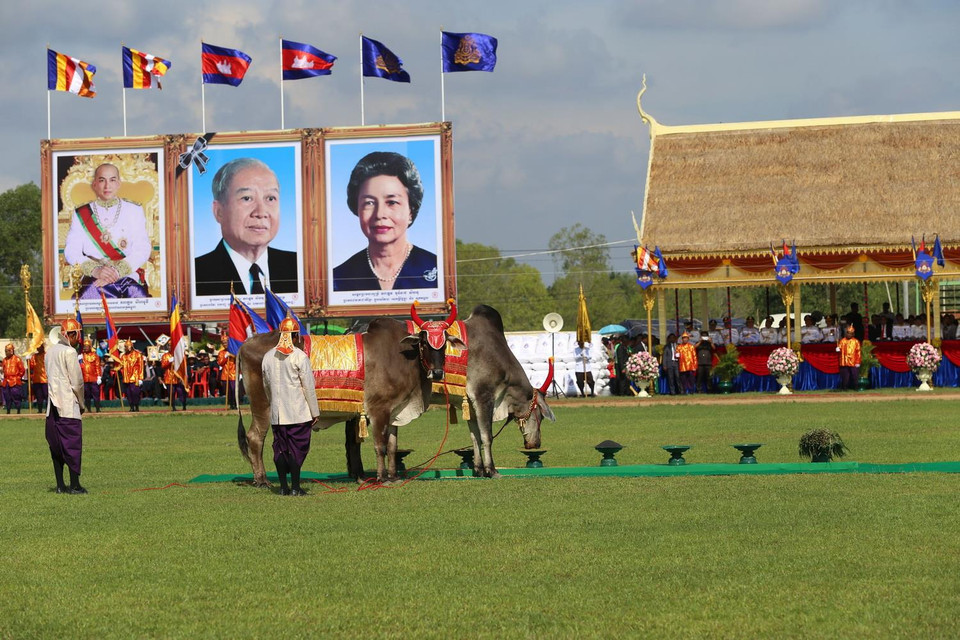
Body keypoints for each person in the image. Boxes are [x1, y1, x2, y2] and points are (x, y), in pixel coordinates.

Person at [332, 151, 438, 292]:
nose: (380, 214)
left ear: (411, 211)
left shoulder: (437, 269)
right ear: (357, 208)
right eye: (369, 203)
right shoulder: (338, 279)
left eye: (392, 202)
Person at [194, 158, 298, 296]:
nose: (261, 213)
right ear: (219, 211)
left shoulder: (298, 267)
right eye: (247, 198)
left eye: (270, 198)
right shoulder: (195, 274)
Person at [63, 163, 151, 299]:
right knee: (90, 295)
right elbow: (71, 251)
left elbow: (143, 248)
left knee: (138, 297)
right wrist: (96, 270)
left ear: (119, 184)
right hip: (94, 279)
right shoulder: (81, 213)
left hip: (127, 277)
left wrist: (117, 271)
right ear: (94, 185)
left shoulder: (134, 210)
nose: (107, 186)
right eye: (102, 180)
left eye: (112, 180)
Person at [261, 316, 319, 496]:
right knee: (297, 448)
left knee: (280, 449)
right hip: (298, 414)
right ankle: (295, 487)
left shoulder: (268, 357)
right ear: (295, 336)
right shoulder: (300, 357)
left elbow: (266, 386)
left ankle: (284, 488)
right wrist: (315, 411)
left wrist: (274, 404)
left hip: (278, 415)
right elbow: (308, 386)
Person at [45, 319, 87, 494]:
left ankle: (61, 485)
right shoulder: (69, 352)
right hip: (68, 405)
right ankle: (75, 485)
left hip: (52, 407)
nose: (79, 339)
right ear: (72, 334)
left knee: (56, 446)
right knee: (72, 445)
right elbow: (77, 382)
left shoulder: (49, 353)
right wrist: (82, 403)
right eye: (78, 334)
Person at [117, 339, 144, 412]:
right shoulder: (123, 356)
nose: (125, 348)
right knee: (128, 393)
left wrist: (140, 378)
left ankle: (136, 405)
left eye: (126, 347)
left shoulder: (138, 354)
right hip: (126, 377)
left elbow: (141, 367)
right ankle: (131, 406)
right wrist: (117, 368)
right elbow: (121, 365)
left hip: (135, 377)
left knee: (135, 392)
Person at [159, 342, 187, 411]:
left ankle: (184, 405)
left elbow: (183, 364)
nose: (170, 347)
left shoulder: (179, 355)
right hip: (169, 377)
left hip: (178, 376)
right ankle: (173, 407)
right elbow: (163, 365)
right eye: (169, 346)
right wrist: (169, 361)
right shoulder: (165, 356)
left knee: (181, 391)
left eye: (171, 346)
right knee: (171, 393)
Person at [79, 339, 102, 413]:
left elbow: (97, 366)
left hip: (94, 378)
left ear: (90, 347)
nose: (85, 348)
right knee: (86, 395)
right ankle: (88, 409)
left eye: (86, 346)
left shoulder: (95, 356)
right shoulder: (81, 356)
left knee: (96, 394)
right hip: (84, 378)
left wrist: (99, 376)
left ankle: (98, 408)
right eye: (84, 346)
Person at [2, 344, 26, 414]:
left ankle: (18, 410)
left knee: (16, 396)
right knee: (7, 396)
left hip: (15, 381)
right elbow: (4, 369)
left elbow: (22, 370)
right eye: (5, 351)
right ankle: (8, 410)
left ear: (11, 351)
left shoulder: (17, 359)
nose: (6, 352)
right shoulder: (4, 360)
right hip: (6, 381)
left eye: (8, 351)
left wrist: (18, 377)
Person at [836, 325, 861, 391]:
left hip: (853, 361)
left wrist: (858, 362)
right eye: (847, 333)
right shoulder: (842, 341)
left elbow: (858, 352)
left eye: (850, 333)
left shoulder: (856, 341)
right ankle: (844, 387)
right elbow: (840, 348)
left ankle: (855, 387)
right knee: (844, 376)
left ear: (853, 334)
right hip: (844, 361)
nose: (849, 334)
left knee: (855, 375)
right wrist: (838, 349)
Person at [217, 335, 238, 409]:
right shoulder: (221, 353)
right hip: (225, 374)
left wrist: (231, 355)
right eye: (223, 343)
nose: (225, 344)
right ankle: (230, 404)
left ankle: (235, 404)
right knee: (227, 391)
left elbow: (238, 358)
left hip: (233, 373)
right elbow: (220, 363)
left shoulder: (234, 350)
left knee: (234, 390)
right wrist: (225, 357)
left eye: (226, 342)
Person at [29, 344, 48, 413]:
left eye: (40, 347)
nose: (38, 349)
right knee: (38, 396)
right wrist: (28, 360)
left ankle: (48, 410)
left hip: (45, 379)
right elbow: (31, 366)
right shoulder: (34, 356)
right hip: (36, 379)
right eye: (38, 347)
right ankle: (39, 410)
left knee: (46, 395)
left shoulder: (47, 355)